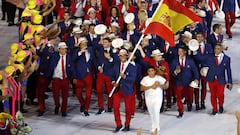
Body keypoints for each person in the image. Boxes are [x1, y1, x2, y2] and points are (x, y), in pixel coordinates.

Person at [46, 42, 74, 117]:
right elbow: (47, 53)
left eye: (65, 49)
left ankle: (63, 110)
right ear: (59, 49)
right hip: (56, 78)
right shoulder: (54, 56)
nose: (64, 50)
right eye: (62, 49)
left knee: (65, 96)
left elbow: (71, 68)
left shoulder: (68, 57)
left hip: (65, 78)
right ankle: (57, 105)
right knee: (56, 95)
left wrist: (72, 77)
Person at [170, 45, 199, 118]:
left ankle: (189, 103)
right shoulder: (174, 61)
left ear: (185, 52)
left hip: (188, 81)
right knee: (178, 97)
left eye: (181, 51)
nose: (179, 53)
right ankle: (180, 111)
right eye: (178, 51)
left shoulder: (190, 60)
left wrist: (196, 79)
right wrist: (176, 72)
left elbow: (195, 70)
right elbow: (172, 73)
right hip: (179, 82)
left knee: (189, 95)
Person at [112, 49, 136, 132]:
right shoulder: (115, 65)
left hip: (127, 89)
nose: (122, 57)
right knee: (115, 107)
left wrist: (125, 77)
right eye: (120, 55)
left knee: (128, 108)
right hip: (117, 89)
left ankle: (127, 124)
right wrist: (113, 82)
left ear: (126, 56)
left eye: (124, 55)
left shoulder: (132, 66)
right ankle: (118, 124)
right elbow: (112, 76)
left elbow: (133, 79)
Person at [140, 66, 169, 134]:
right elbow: (141, 88)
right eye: (149, 71)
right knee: (151, 113)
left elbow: (166, 86)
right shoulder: (145, 79)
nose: (151, 72)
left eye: (152, 71)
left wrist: (159, 85)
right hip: (149, 98)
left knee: (156, 112)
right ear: (147, 72)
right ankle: (153, 126)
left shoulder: (159, 78)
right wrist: (151, 86)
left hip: (158, 98)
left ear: (154, 71)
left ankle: (156, 128)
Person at [205, 43, 232, 115]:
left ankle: (220, 105)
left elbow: (228, 70)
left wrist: (230, 81)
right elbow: (202, 60)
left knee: (220, 94)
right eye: (215, 49)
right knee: (213, 95)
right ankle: (214, 108)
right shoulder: (209, 57)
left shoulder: (226, 59)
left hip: (221, 79)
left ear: (222, 49)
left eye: (218, 49)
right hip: (211, 79)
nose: (216, 50)